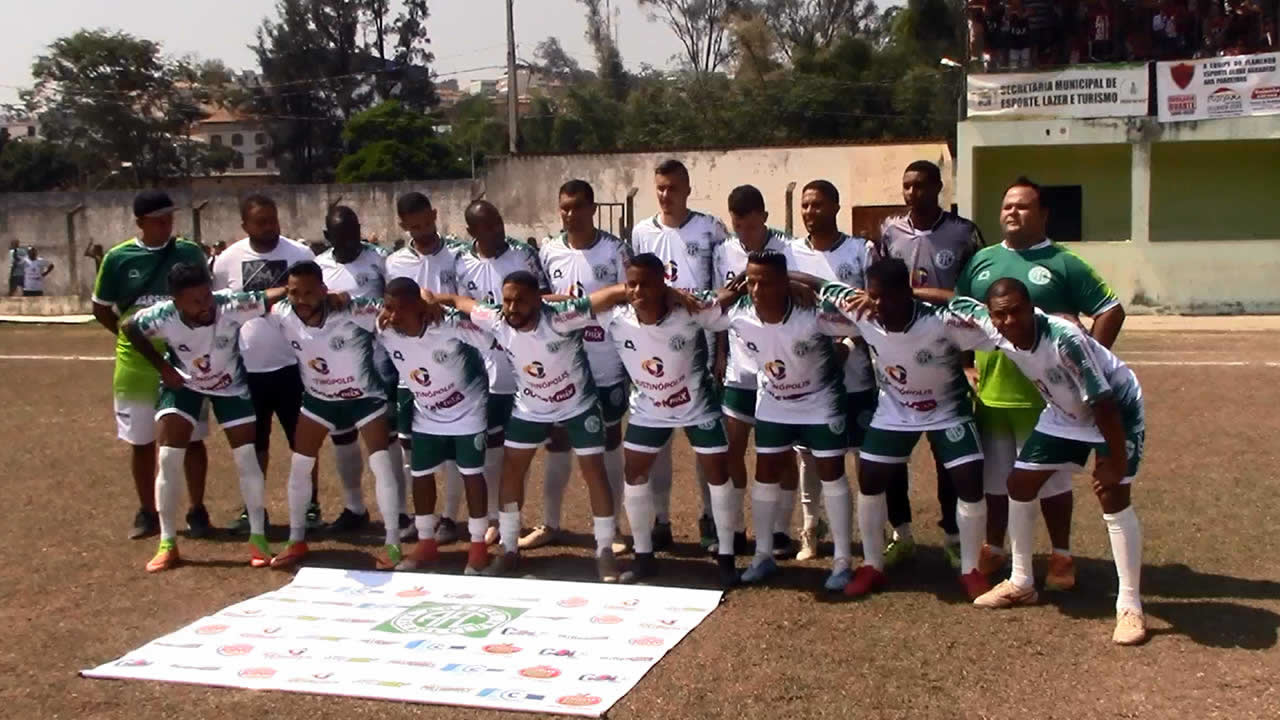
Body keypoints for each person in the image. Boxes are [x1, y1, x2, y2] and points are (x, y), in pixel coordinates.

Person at [956, 176, 1125, 592]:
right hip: (993, 393)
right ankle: (995, 548)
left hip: (1048, 399)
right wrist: (965, 364)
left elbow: (1111, 309)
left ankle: (1062, 555)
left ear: (1044, 214)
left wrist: (1087, 365)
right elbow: (960, 313)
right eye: (1007, 206)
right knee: (997, 479)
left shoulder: (1063, 263)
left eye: (1023, 207)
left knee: (1051, 480)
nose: (1012, 213)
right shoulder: (982, 260)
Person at [954, 281, 1146, 646]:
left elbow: (1104, 403)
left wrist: (1114, 460)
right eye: (1000, 314)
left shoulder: (1064, 338)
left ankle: (1130, 605)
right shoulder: (991, 326)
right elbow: (953, 301)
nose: (1009, 320)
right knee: (1019, 484)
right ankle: (1022, 582)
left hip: (1116, 409)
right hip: (1063, 410)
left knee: (1112, 494)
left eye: (1016, 311)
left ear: (1031, 308)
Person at [816, 258, 993, 600]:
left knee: (970, 477)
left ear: (906, 293)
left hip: (947, 410)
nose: (877, 305)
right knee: (870, 475)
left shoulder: (940, 321)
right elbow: (816, 284)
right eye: (873, 296)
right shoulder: (863, 313)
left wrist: (923, 294)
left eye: (886, 297)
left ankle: (971, 569)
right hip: (896, 411)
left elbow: (979, 309)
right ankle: (871, 565)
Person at [430, 271, 623, 583]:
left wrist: (666, 293)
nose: (512, 307)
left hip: (578, 406)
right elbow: (458, 301)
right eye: (507, 300)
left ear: (537, 299)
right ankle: (509, 548)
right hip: (530, 408)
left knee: (594, 472)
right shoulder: (496, 319)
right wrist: (433, 300)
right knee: (511, 472)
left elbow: (612, 295)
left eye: (520, 300)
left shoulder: (561, 318)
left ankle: (604, 552)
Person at [123, 264, 301, 572]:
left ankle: (258, 538)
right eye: (195, 301)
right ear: (177, 302)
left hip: (230, 385)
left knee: (247, 456)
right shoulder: (161, 316)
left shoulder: (228, 304)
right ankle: (168, 543)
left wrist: (294, 287)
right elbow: (129, 326)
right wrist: (162, 367)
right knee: (167, 457)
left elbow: (267, 296)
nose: (206, 306)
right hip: (184, 385)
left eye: (207, 296)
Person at [702, 250, 860, 591]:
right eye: (752, 282)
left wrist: (803, 281)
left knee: (832, 474)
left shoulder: (810, 313)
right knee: (765, 473)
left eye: (767, 282)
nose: (757, 290)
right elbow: (702, 309)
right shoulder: (740, 313)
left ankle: (843, 561)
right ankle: (763, 556)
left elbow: (851, 305)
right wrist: (734, 288)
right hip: (774, 403)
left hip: (821, 402)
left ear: (785, 284)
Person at [600, 253, 739, 588]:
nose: (637, 291)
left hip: (697, 404)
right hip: (649, 408)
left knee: (718, 475)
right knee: (634, 474)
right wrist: (623, 291)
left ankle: (727, 557)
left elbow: (727, 297)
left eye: (645, 284)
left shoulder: (688, 313)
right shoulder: (616, 317)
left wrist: (679, 294)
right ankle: (644, 556)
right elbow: (569, 303)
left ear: (663, 284)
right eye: (631, 284)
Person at [877, 160, 985, 572]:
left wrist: (968, 359)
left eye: (921, 185)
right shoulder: (889, 230)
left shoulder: (963, 232)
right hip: (897, 353)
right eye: (907, 186)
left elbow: (973, 294)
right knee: (891, 455)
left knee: (948, 455)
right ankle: (900, 533)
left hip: (945, 351)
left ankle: (954, 537)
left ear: (939, 186)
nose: (912, 192)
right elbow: (880, 283)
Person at [267, 261, 404, 569]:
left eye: (308, 292)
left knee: (381, 465)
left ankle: (393, 543)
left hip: (364, 398)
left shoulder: (352, 310)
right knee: (300, 466)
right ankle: (296, 539)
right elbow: (245, 301)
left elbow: (396, 306)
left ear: (324, 291)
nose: (301, 300)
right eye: (294, 293)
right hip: (319, 400)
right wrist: (280, 294)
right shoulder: (283, 314)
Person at [92, 190, 211, 540]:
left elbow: (206, 298)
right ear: (140, 222)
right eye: (159, 220)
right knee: (142, 442)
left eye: (170, 218)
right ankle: (147, 511)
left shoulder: (188, 253)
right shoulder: (118, 258)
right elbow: (101, 308)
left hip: (185, 360)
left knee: (192, 439)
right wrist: (129, 339)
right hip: (137, 368)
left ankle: (197, 509)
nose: (166, 225)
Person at [526, 180, 631, 554]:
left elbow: (630, 295)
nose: (570, 214)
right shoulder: (550, 250)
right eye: (565, 208)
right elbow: (534, 298)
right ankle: (550, 523)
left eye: (577, 207)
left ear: (592, 209)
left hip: (605, 362)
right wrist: (566, 301)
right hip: (561, 363)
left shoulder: (616, 250)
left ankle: (613, 526)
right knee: (557, 442)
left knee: (608, 441)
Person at [629, 159, 728, 553]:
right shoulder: (641, 233)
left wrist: (721, 350)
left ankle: (708, 517)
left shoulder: (710, 229)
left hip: (698, 348)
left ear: (687, 188)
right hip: (654, 349)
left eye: (672, 188)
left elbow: (721, 295)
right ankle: (661, 519)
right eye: (660, 188)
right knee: (658, 443)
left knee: (704, 442)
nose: (666, 195)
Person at [212, 194, 320, 533]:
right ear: (245, 225)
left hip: (294, 367)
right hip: (248, 369)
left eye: (273, 219)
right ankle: (253, 508)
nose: (270, 227)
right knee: (253, 444)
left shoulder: (299, 254)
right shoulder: (226, 261)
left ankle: (310, 506)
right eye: (261, 222)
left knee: (303, 442)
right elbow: (221, 311)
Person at [788, 180, 877, 563]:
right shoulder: (789, 254)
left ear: (837, 206)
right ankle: (812, 530)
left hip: (856, 371)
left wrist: (850, 345)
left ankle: (871, 535)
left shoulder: (860, 252)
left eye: (818, 205)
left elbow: (874, 307)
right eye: (805, 206)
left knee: (863, 456)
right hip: (808, 376)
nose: (810, 212)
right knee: (809, 457)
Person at [377, 277, 492, 574]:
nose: (390, 315)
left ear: (417, 307)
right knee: (421, 474)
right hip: (426, 413)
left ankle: (478, 545)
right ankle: (426, 542)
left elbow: (491, 334)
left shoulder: (448, 325)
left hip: (468, 411)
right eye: (387, 307)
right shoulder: (384, 328)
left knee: (471, 475)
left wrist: (439, 302)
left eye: (397, 309)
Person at [385, 192, 481, 543]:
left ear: (435, 215)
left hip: (453, 367)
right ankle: (419, 516)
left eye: (426, 223)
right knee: (411, 448)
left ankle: (449, 517)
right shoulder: (394, 262)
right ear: (402, 226)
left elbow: (462, 302)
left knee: (455, 448)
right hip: (410, 371)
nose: (422, 231)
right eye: (413, 226)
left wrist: (436, 303)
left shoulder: (457, 255)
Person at [452, 200, 548, 547]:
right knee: (493, 445)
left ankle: (542, 521)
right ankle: (497, 518)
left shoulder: (523, 255)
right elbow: (460, 309)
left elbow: (544, 299)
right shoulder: (461, 260)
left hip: (526, 365)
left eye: (498, 222)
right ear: (472, 231)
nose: (497, 229)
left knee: (531, 445)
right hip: (484, 367)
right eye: (487, 225)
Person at [315, 206, 411, 540]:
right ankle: (354, 507)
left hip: (378, 359)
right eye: (342, 235)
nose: (351, 239)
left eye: (355, 231)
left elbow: (395, 302)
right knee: (342, 434)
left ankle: (398, 511)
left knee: (386, 437)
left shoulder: (380, 260)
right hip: (336, 361)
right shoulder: (319, 268)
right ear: (329, 237)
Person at [712, 185, 794, 557]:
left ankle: (780, 530)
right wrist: (720, 355)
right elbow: (720, 307)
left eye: (749, 225)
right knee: (732, 449)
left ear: (764, 215)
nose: (743, 233)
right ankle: (736, 529)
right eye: (737, 226)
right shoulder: (723, 251)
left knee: (781, 453)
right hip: (740, 367)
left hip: (781, 367)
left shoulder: (788, 249)